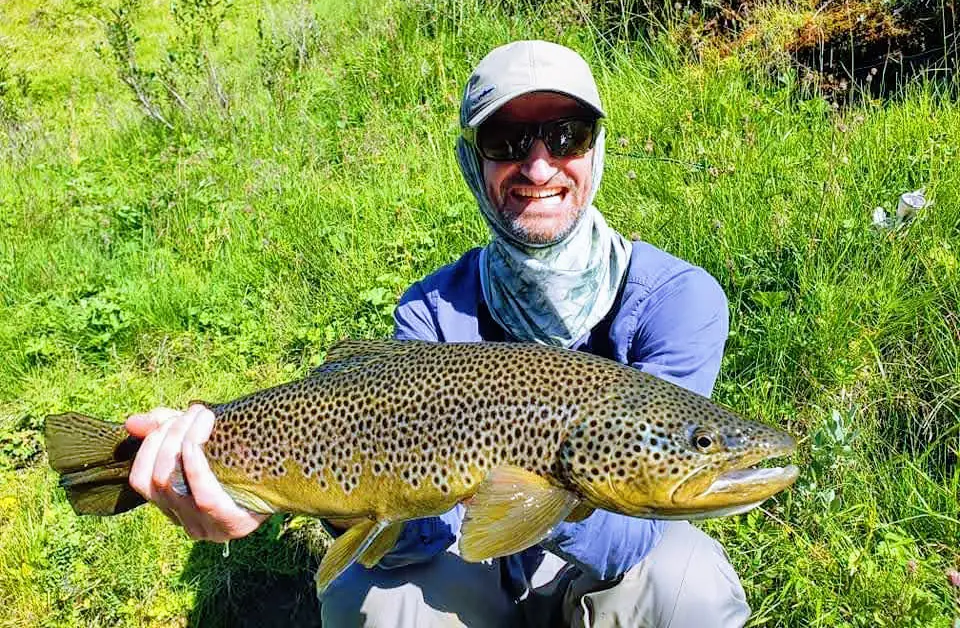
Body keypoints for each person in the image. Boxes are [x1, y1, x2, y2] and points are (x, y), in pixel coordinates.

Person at [125, 40, 750, 627]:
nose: (538, 165)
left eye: (567, 135)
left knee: (687, 579)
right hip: (470, 564)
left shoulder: (678, 299)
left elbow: (630, 539)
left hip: (600, 566)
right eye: (507, 139)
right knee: (368, 597)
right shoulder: (430, 311)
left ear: (596, 152)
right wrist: (273, 491)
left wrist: (536, 473)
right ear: (472, 164)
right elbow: (410, 542)